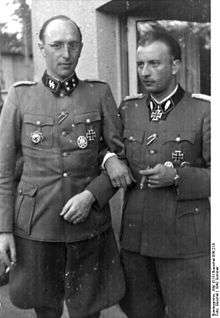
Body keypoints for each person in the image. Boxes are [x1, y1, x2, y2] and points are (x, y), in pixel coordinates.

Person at [0, 15, 131, 318]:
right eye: (57, 45)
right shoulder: (21, 96)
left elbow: (120, 157)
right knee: (46, 309)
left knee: (88, 310)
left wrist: (91, 195)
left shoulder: (98, 93)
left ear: (81, 48)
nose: (65, 53)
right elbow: (4, 171)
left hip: (88, 225)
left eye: (72, 45)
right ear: (42, 48)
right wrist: (4, 229)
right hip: (37, 226)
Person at [109, 29, 210, 318]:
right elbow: (115, 157)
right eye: (141, 64)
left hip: (183, 243)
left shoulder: (203, 110)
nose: (145, 72)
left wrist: (177, 177)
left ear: (175, 66)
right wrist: (107, 163)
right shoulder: (129, 109)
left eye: (154, 63)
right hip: (137, 241)